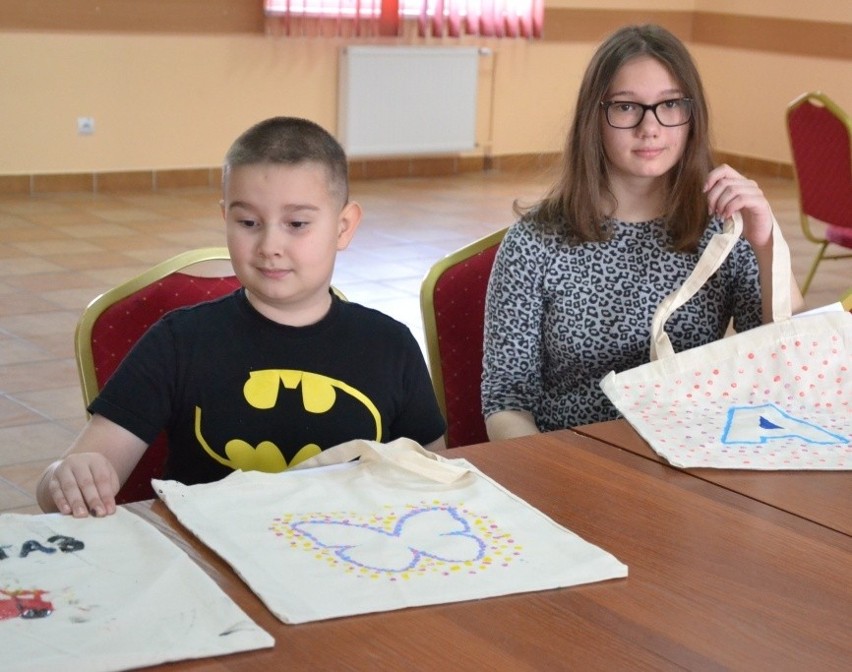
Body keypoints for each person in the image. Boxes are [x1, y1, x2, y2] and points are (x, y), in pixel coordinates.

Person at [38, 116, 447, 517]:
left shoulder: (389, 344)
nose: (270, 244)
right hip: (209, 562)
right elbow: (57, 487)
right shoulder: (179, 342)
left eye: (297, 223)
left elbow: (435, 474)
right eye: (248, 222)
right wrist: (68, 476)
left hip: (353, 557)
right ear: (225, 219)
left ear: (343, 227)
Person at [481, 24, 804, 441]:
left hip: (690, 454)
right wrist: (553, 482)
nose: (650, 127)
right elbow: (506, 401)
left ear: (692, 117)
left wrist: (765, 242)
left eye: (670, 105)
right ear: (593, 118)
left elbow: (785, 354)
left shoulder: (720, 230)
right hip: (569, 461)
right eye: (627, 107)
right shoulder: (534, 242)